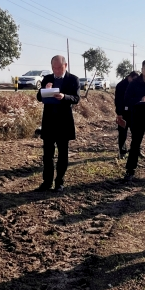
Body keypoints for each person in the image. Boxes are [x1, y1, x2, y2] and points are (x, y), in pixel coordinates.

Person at [35, 55, 80, 192]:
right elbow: (39, 97)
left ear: (65, 66)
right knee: (47, 154)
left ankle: (59, 182)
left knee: (62, 154)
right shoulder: (47, 78)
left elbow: (76, 98)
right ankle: (47, 182)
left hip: (64, 122)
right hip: (49, 121)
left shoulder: (73, 79)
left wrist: (64, 96)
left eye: (59, 68)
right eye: (54, 68)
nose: (57, 70)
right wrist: (45, 90)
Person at [114, 70, 140, 159]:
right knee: (122, 133)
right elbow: (118, 101)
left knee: (136, 133)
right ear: (129, 77)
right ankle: (122, 152)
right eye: (134, 79)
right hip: (123, 113)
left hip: (135, 112)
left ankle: (136, 151)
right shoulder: (120, 86)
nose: (135, 81)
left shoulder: (137, 85)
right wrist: (119, 113)